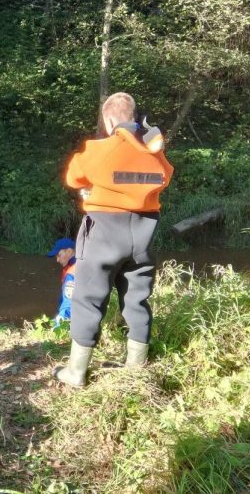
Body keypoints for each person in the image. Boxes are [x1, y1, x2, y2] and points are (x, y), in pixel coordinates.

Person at [52, 92, 173, 387]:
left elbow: (73, 177)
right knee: (137, 297)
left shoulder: (100, 148)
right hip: (141, 234)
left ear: (109, 121)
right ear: (134, 117)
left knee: (88, 298)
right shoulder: (153, 151)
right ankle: (136, 367)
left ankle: (76, 372)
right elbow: (164, 177)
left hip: (103, 233)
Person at [46, 237, 76, 328]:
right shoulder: (75, 266)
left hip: (72, 321)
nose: (57, 260)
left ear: (69, 251)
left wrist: (58, 326)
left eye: (59, 255)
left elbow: (69, 304)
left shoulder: (72, 272)